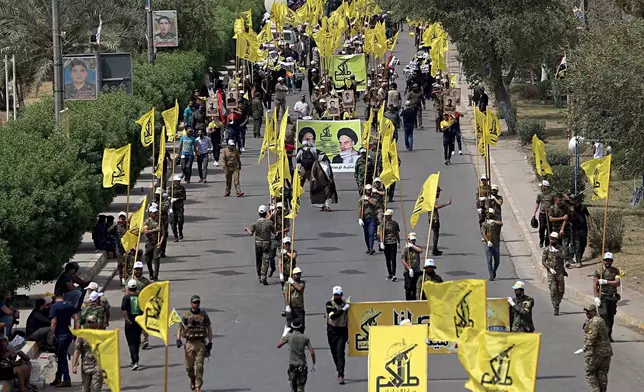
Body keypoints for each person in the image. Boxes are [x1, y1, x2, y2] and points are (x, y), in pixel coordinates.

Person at [177, 295, 212, 392]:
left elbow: (208, 328)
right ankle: (192, 378)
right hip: (189, 343)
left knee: (199, 366)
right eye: (194, 302)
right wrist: (178, 339)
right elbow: (180, 328)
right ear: (191, 303)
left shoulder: (203, 315)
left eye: (198, 302)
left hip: (200, 343)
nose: (196, 304)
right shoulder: (185, 315)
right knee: (188, 367)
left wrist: (210, 342)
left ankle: (198, 386)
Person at [49, 290, 80, 387]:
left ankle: (66, 379)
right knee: (61, 356)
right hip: (68, 333)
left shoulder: (54, 307)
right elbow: (76, 318)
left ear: (55, 297)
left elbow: (54, 322)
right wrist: (75, 331)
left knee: (62, 357)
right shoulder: (69, 305)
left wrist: (51, 335)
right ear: (63, 295)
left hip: (60, 335)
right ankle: (58, 378)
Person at [277, 319, 316, 392]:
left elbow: (278, 345)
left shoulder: (289, 336)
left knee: (293, 388)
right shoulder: (305, 338)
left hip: (293, 366)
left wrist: (284, 334)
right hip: (302, 366)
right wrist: (314, 364)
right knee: (300, 388)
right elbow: (312, 352)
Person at [582, 303, 612, 391]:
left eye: (589, 312)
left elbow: (591, 338)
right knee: (602, 372)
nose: (587, 313)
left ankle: (595, 390)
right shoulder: (600, 320)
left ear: (594, 312)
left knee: (590, 372)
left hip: (596, 352)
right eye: (586, 312)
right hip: (606, 352)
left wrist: (585, 348)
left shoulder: (594, 322)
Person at [593, 252, 621, 341]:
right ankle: (602, 333)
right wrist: (596, 297)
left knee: (610, 316)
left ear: (612, 261)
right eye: (606, 260)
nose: (607, 262)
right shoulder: (599, 271)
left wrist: (606, 282)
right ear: (603, 261)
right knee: (603, 314)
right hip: (603, 296)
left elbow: (617, 282)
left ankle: (608, 334)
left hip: (612, 297)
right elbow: (594, 284)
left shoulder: (616, 271)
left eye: (609, 260)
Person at [72, 315, 104, 392]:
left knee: (96, 389)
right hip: (85, 367)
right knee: (85, 389)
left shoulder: (101, 335)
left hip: (98, 366)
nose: (91, 324)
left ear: (96, 323)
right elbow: (77, 350)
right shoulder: (82, 335)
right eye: (89, 322)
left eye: (93, 322)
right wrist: (74, 365)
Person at [245, 205, 276, 285]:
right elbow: (274, 232)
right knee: (265, 260)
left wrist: (247, 229)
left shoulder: (256, 222)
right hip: (266, 243)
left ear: (259, 213)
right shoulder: (269, 222)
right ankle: (264, 276)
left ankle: (259, 276)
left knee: (258, 260)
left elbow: (251, 233)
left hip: (258, 243)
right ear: (266, 213)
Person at [325, 286, 349, 385]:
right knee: (334, 353)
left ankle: (341, 374)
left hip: (342, 331)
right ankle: (338, 368)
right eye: (335, 295)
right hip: (332, 330)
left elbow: (350, 320)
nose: (337, 297)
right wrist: (343, 310)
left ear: (341, 295)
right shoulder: (329, 304)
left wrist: (349, 335)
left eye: (338, 295)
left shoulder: (346, 304)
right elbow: (333, 316)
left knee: (340, 353)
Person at [121, 279, 143, 370]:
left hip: (130, 323)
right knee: (137, 341)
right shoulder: (140, 296)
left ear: (129, 288)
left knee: (131, 342)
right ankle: (136, 358)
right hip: (139, 322)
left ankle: (134, 361)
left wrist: (127, 319)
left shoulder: (126, 298)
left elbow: (124, 309)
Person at [569, 194, 594, 267]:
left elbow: (588, 216)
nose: (572, 201)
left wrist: (591, 226)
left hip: (583, 228)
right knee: (577, 244)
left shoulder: (583, 207)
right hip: (575, 228)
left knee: (583, 243)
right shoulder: (571, 208)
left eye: (573, 199)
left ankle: (579, 256)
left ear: (577, 200)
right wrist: (572, 211)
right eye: (571, 200)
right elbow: (569, 217)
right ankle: (578, 260)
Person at [481, 208, 503, 281]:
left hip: (496, 243)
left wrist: (493, 221)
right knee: (489, 260)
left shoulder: (495, 222)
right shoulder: (484, 223)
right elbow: (483, 233)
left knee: (497, 261)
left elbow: (501, 223)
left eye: (489, 213)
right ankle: (491, 275)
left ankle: (494, 271)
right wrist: (488, 241)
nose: (488, 214)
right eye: (487, 213)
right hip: (487, 244)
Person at [429, 186, 452, 256]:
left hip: (432, 218)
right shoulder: (433, 199)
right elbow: (436, 207)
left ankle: (435, 248)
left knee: (436, 234)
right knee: (436, 234)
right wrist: (446, 203)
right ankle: (434, 249)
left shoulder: (432, 198)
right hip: (434, 219)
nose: (439, 194)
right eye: (438, 192)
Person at [143, 205, 163, 281]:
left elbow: (163, 233)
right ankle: (151, 272)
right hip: (149, 244)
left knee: (156, 259)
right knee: (148, 260)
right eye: (153, 213)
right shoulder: (147, 222)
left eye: (156, 212)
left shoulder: (159, 221)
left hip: (157, 243)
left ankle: (155, 275)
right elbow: (146, 232)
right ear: (150, 213)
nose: (155, 214)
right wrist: (155, 230)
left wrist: (160, 242)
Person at [533, 180, 555, 248]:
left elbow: (554, 204)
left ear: (545, 187)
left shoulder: (552, 195)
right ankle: (541, 240)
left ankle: (547, 242)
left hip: (549, 215)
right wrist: (534, 212)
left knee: (549, 229)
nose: (541, 187)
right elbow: (537, 203)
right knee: (542, 228)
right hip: (542, 214)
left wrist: (551, 211)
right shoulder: (540, 195)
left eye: (542, 186)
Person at [401, 232, 423, 300]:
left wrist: (412, 246)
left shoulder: (416, 247)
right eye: (411, 240)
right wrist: (409, 268)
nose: (413, 241)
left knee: (415, 288)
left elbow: (420, 250)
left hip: (417, 271)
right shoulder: (406, 249)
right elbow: (402, 260)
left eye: (414, 240)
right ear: (409, 240)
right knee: (408, 288)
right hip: (408, 271)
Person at [380, 209, 400, 281]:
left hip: (393, 242)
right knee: (387, 259)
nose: (386, 217)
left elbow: (397, 233)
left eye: (387, 215)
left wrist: (399, 241)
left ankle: (394, 274)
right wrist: (381, 242)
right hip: (386, 243)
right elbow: (381, 233)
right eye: (385, 215)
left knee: (393, 259)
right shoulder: (383, 224)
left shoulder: (395, 224)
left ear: (390, 216)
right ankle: (390, 273)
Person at [358, 184, 379, 255]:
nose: (369, 191)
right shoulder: (362, 199)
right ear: (365, 190)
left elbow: (374, 203)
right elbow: (360, 209)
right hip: (365, 218)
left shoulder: (374, 196)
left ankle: (371, 248)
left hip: (372, 218)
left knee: (371, 233)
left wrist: (368, 199)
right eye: (368, 190)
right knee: (366, 234)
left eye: (370, 189)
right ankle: (368, 247)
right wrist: (360, 218)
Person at [170, 174, 187, 241]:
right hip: (172, 208)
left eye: (179, 181)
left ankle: (180, 232)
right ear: (174, 181)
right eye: (177, 181)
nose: (178, 182)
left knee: (180, 222)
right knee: (173, 223)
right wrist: (170, 198)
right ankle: (175, 236)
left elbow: (184, 197)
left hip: (179, 207)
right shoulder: (170, 188)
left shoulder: (182, 188)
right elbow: (168, 197)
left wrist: (177, 199)